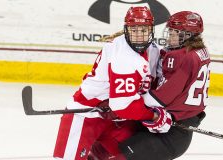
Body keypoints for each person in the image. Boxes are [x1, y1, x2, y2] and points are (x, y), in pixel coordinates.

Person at [90, 11, 210, 160]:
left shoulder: (184, 57)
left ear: (189, 35)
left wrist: (124, 105)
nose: (170, 35)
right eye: (170, 31)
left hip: (173, 129)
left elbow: (164, 96)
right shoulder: (195, 51)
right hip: (165, 120)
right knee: (101, 149)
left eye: (175, 32)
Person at [53, 6, 169, 160]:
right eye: (134, 31)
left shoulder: (153, 50)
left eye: (143, 30)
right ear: (127, 30)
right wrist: (153, 116)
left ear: (151, 30)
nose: (139, 36)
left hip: (116, 120)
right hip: (87, 115)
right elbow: (123, 106)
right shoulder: (123, 56)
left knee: (135, 155)